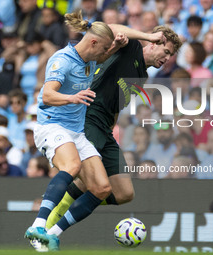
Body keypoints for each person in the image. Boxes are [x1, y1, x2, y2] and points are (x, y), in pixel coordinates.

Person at [25, 10, 169, 251]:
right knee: (73, 168)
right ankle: (39, 225)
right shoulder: (63, 60)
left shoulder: (92, 60)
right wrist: (73, 97)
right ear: (93, 42)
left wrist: (114, 47)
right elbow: (46, 95)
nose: (106, 54)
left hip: (80, 131)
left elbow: (106, 55)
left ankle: (53, 235)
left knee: (103, 189)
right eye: (104, 49)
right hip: (54, 125)